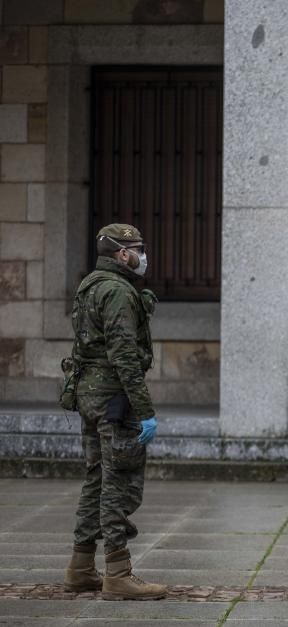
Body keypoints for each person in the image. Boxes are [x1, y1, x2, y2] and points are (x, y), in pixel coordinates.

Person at [62, 223, 166, 601]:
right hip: (114, 401)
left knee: (95, 480)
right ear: (123, 254)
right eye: (138, 249)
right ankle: (118, 572)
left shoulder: (92, 285)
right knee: (118, 483)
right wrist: (146, 409)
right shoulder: (118, 292)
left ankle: (80, 567)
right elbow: (124, 355)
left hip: (91, 396)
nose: (143, 256)